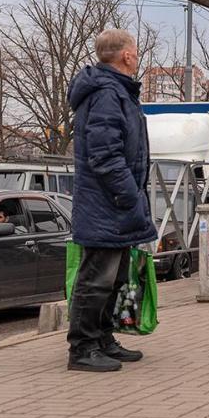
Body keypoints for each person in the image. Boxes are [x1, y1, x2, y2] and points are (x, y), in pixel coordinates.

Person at [66, 29, 158, 372]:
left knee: (114, 277)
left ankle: (103, 338)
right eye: (135, 50)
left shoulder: (118, 92)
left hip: (114, 205)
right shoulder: (107, 94)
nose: (137, 55)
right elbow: (105, 157)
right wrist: (129, 195)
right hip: (107, 205)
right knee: (97, 279)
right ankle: (82, 348)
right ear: (126, 56)